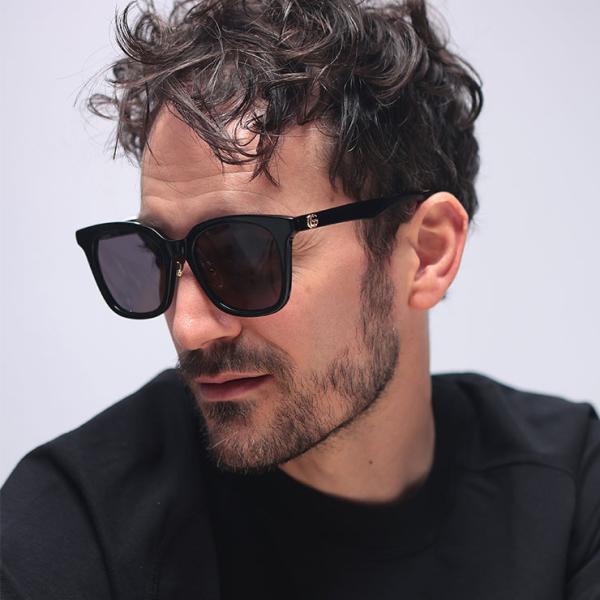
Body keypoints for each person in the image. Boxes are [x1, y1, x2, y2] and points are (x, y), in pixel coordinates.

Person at [1, 0, 598, 598]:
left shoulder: (568, 491)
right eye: (157, 255)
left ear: (426, 253)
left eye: (243, 254)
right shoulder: (75, 524)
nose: (187, 327)